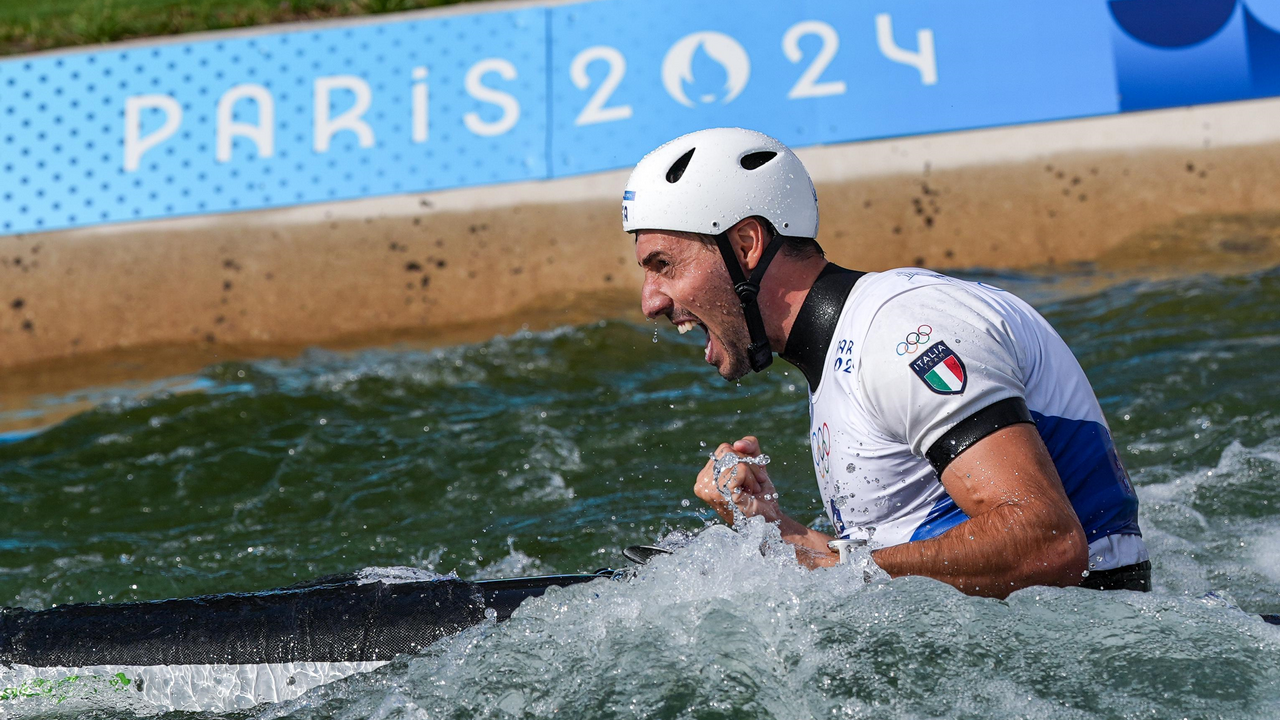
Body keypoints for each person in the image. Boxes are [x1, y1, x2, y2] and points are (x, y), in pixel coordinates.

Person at [623, 127, 1148, 598]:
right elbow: (900, 559)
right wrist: (780, 535)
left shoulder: (903, 332)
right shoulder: (844, 355)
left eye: (664, 265)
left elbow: (1044, 542)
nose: (651, 302)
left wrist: (831, 568)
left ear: (746, 243)